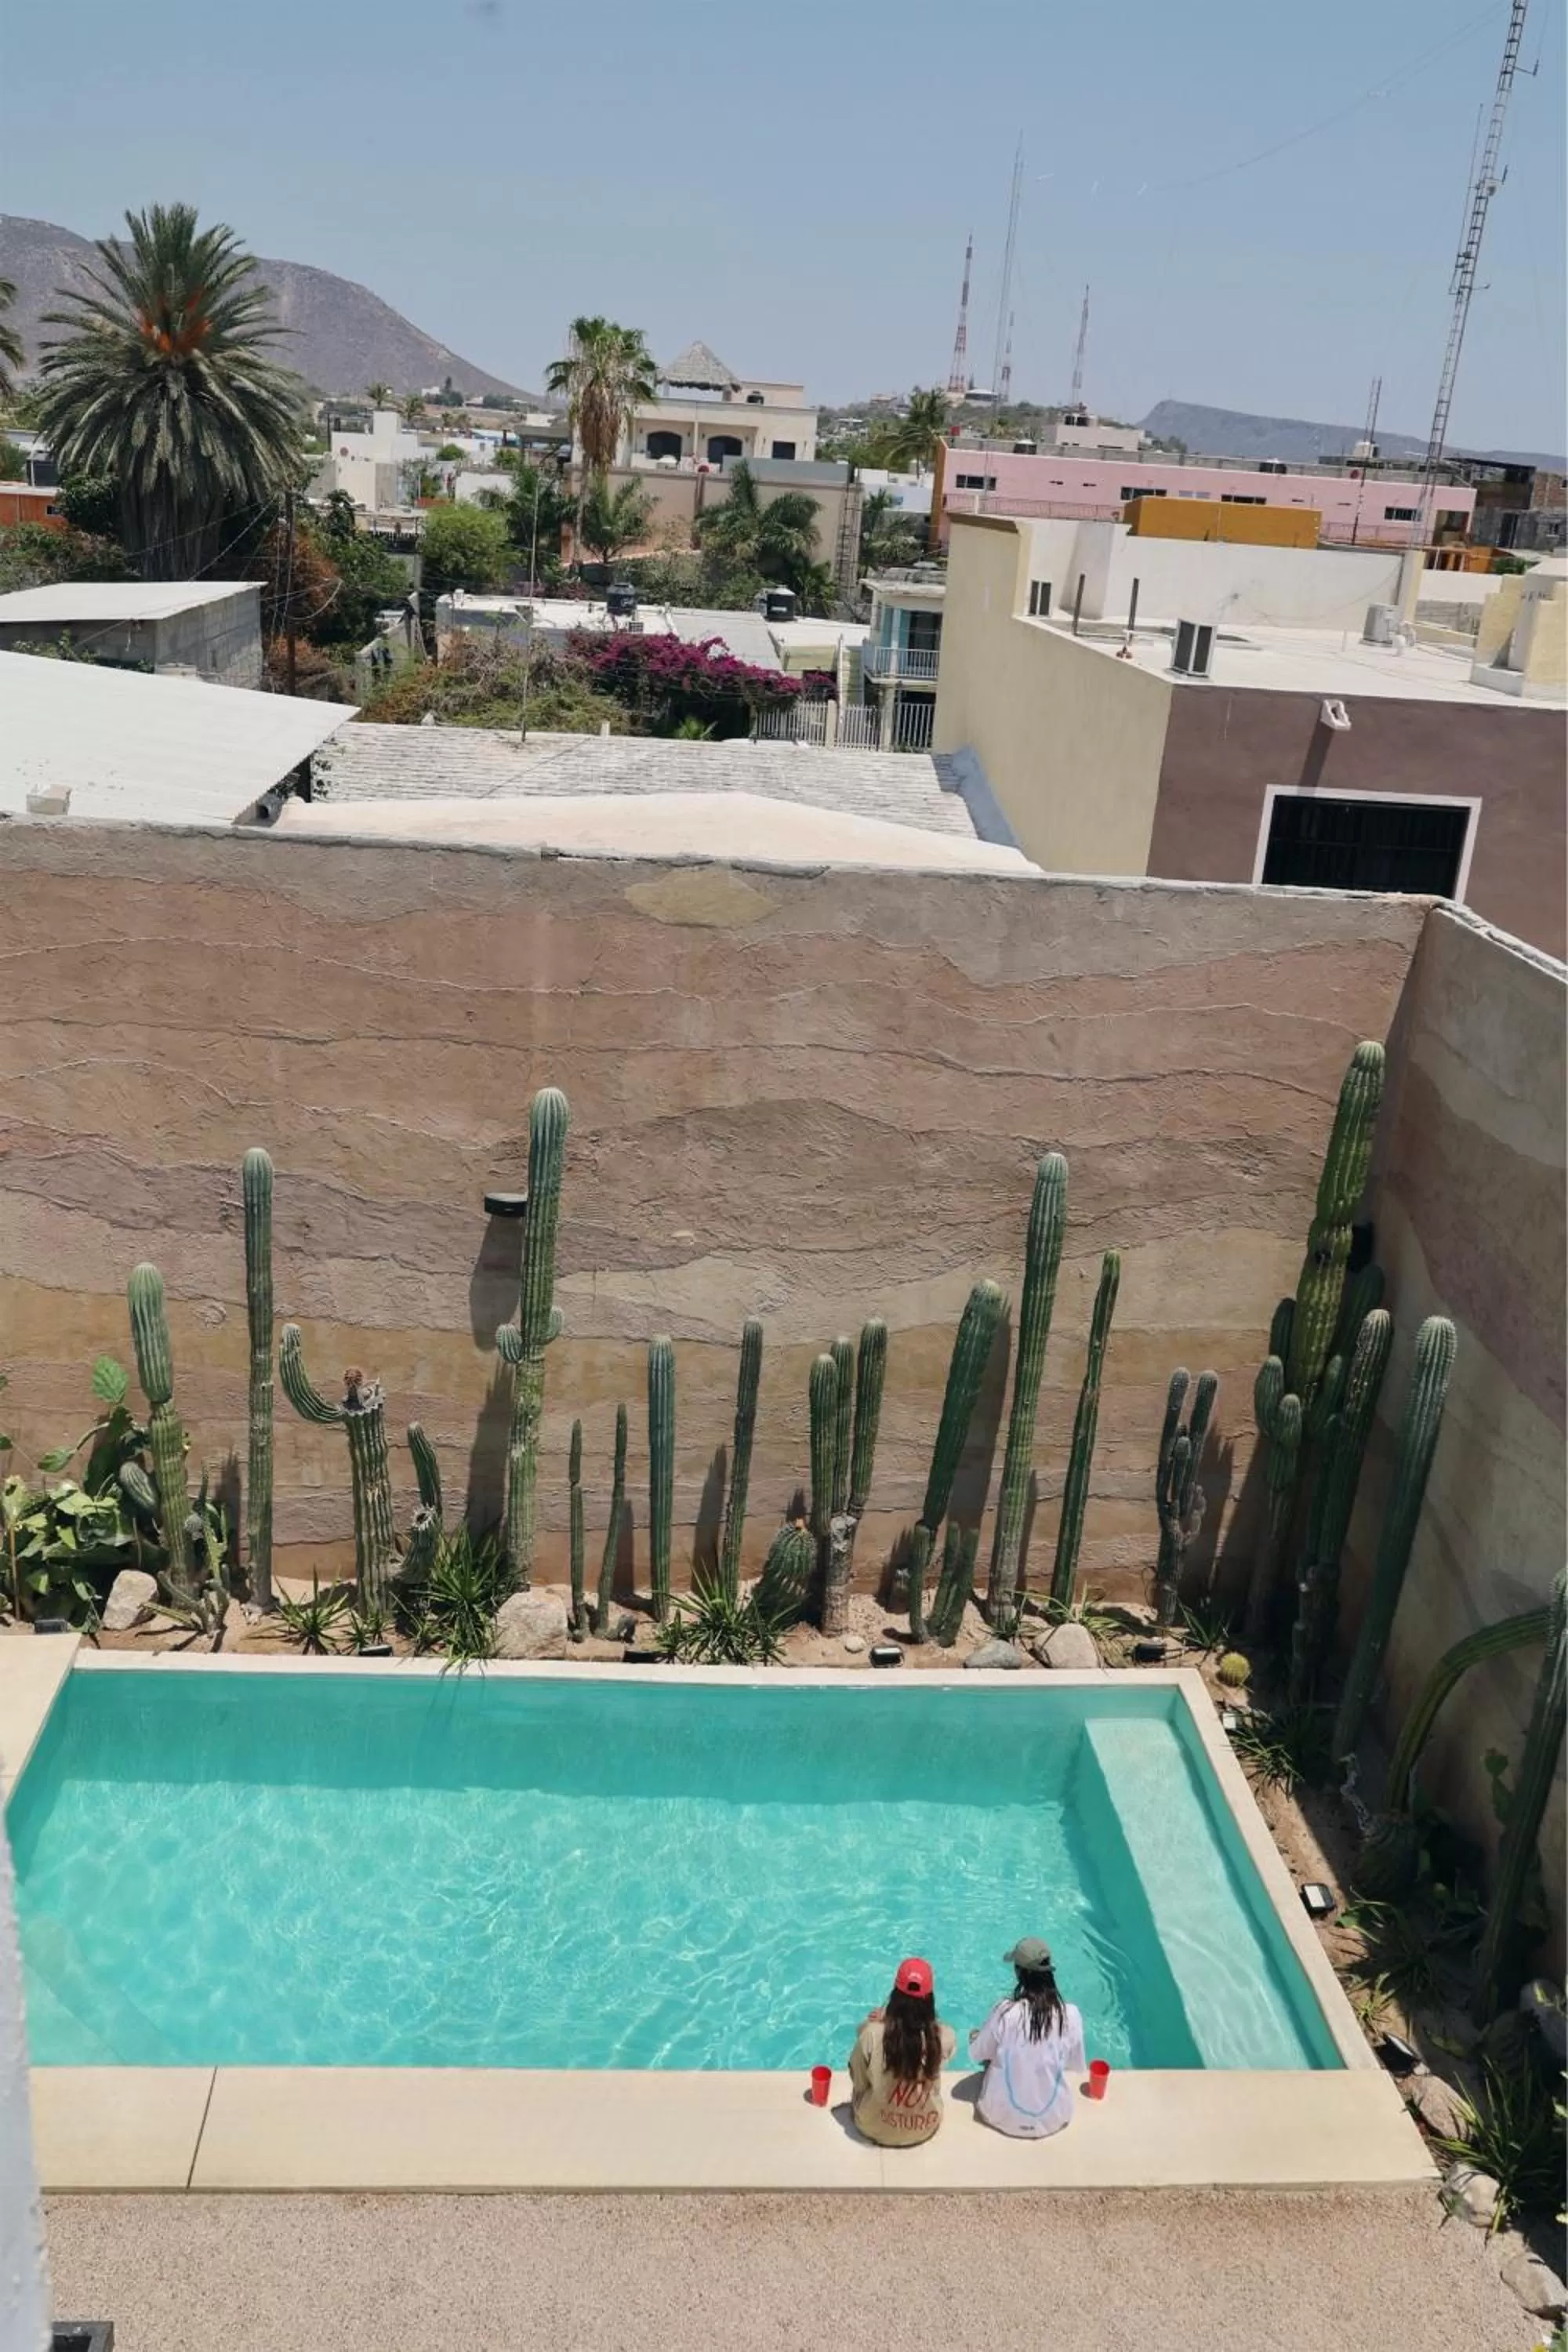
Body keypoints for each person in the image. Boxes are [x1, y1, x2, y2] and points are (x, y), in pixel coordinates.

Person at [968, 1936, 1087, 2140]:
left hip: (1000, 2117)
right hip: (1055, 2118)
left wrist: (979, 2039)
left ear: (1019, 1973)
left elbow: (975, 2053)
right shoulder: (1072, 2015)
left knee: (983, 2043)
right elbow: (1073, 2065)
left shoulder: (1005, 2012)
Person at [847, 1957, 956, 2148]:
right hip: (925, 2127)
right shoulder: (944, 2037)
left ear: (895, 1995)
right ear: (930, 1999)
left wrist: (881, 2022)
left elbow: (857, 2078)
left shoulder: (873, 2034)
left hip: (874, 2127)